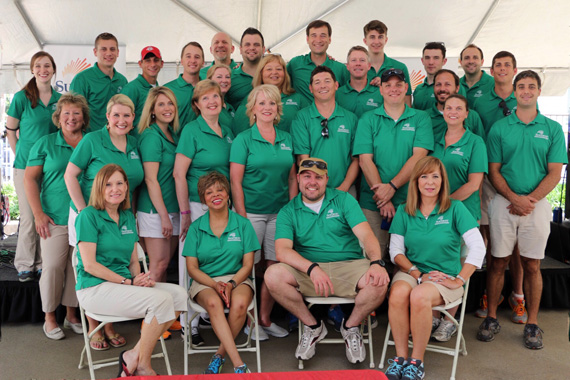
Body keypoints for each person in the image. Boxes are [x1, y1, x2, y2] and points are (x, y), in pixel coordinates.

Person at [265, 157, 389, 364]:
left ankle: (351, 327)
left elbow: (367, 235)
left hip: (349, 266)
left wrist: (376, 262)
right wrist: (312, 268)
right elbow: (282, 251)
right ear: (298, 178)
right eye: (307, 176)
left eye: (318, 177)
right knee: (272, 275)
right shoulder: (288, 210)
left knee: (379, 281)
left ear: (326, 179)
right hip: (310, 271)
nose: (312, 182)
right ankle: (313, 327)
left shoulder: (343, 199)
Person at [477, 70, 567, 350]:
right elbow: (493, 170)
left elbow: (555, 172)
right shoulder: (500, 128)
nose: (526, 91)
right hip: (504, 203)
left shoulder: (552, 129)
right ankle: (491, 317)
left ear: (539, 91)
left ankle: (532, 322)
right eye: (521, 86)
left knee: (532, 264)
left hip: (536, 206)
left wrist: (530, 200)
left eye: (531, 86)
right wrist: (513, 198)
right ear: (514, 92)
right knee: (497, 262)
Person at [75, 164, 186, 377]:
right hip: (94, 288)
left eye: (119, 183)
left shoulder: (127, 216)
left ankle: (135, 355)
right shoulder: (88, 216)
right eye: (108, 184)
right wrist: (128, 283)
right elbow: (89, 265)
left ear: (126, 187)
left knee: (179, 295)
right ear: (99, 188)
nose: (114, 189)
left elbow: (133, 261)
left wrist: (139, 279)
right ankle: (143, 364)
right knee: (160, 301)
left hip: (123, 286)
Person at [384, 156, 484, 380]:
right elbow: (395, 252)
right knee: (398, 293)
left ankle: (416, 362)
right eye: (424, 176)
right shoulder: (404, 210)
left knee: (419, 296)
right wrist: (417, 273)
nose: (430, 182)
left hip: (444, 277)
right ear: (416, 182)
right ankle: (401, 359)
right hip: (413, 272)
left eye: (435, 176)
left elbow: (478, 247)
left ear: (443, 181)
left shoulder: (455, 208)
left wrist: (459, 279)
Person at [64, 94, 144, 350]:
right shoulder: (92, 139)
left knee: (116, 261)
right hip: (90, 215)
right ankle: (94, 327)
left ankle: (109, 325)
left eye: (127, 115)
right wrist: (84, 210)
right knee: (93, 265)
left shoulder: (133, 143)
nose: (122, 120)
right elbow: (70, 175)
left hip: (119, 215)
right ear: (107, 117)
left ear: (133, 118)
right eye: (116, 115)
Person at [230, 85, 297, 340]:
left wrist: (290, 211)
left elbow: (292, 178)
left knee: (274, 266)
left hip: (279, 213)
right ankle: (248, 321)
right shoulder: (243, 139)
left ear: (278, 108)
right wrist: (242, 216)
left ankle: (264, 318)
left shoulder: (286, 138)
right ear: (253, 109)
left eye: (272, 103)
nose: (267, 108)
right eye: (262, 104)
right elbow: (235, 181)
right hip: (252, 214)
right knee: (249, 266)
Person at [173, 79, 234, 345]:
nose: (212, 101)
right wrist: (185, 212)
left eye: (215, 97)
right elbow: (178, 174)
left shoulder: (227, 129)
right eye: (205, 98)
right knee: (192, 264)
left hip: (223, 206)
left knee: (218, 259)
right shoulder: (191, 130)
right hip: (198, 207)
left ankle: (212, 312)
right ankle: (189, 323)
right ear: (197, 105)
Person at [24, 93, 88, 340]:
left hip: (84, 217)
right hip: (54, 218)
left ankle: (72, 315)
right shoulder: (45, 143)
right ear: (58, 118)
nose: (71, 118)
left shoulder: (91, 141)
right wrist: (38, 214)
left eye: (76, 113)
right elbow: (30, 179)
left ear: (84, 118)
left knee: (77, 269)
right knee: (52, 267)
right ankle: (50, 317)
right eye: (66, 114)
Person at [353, 68, 433, 262]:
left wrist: (392, 187)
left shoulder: (421, 118)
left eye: (398, 85)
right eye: (388, 85)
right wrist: (383, 199)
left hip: (411, 203)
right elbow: (365, 160)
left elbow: (419, 157)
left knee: (408, 261)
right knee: (373, 260)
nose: (393, 89)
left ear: (406, 88)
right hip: (372, 204)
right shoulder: (368, 119)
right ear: (380, 89)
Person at [183, 172, 259, 374]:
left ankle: (219, 355)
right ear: (203, 199)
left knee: (241, 303)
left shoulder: (243, 224)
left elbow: (248, 265)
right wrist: (215, 285)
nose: (215, 195)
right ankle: (239, 364)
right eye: (209, 192)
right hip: (205, 281)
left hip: (238, 278)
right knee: (214, 303)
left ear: (228, 194)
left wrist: (231, 284)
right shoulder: (196, 228)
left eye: (220, 190)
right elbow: (192, 268)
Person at [472, 51, 526, 321]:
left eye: (507, 65)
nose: (502, 69)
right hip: (488, 180)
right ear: (490, 71)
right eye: (497, 65)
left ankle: (518, 295)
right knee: (491, 241)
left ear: (515, 70)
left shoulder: (524, 98)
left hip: (517, 182)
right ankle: (492, 295)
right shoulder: (479, 97)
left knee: (517, 244)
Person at [429, 94, 487, 342]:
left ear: (466, 114)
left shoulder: (475, 142)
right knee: (435, 262)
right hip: (433, 215)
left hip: (462, 213)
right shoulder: (432, 141)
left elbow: (474, 184)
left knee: (459, 267)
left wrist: (445, 204)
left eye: (458, 108)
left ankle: (449, 320)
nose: (452, 112)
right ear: (442, 111)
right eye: (448, 107)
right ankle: (431, 315)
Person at [6, 51, 61, 282]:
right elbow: (10, 131)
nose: (43, 70)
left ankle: (41, 263)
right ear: (32, 70)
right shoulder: (22, 98)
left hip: (50, 169)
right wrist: (19, 155)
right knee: (29, 217)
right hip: (26, 168)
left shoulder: (60, 99)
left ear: (53, 68)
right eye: (38, 66)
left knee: (45, 214)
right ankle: (25, 263)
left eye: (47, 65)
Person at [291, 66, 359, 195]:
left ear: (336, 85)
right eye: (317, 82)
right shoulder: (301, 117)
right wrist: (316, 187)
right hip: (312, 190)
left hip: (345, 190)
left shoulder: (351, 118)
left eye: (327, 81)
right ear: (310, 88)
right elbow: (303, 159)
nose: (323, 86)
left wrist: (344, 188)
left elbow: (356, 159)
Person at [136, 86, 180, 283]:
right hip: (155, 211)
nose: (167, 108)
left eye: (170, 103)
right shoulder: (151, 136)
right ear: (152, 110)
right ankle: (147, 312)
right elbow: (150, 179)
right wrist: (163, 216)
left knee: (164, 265)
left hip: (172, 208)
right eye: (161, 104)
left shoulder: (172, 134)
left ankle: (159, 314)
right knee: (157, 265)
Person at [232, 54, 309, 135]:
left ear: (285, 74)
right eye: (269, 69)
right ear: (261, 73)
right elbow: (239, 130)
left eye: (279, 69)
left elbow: (309, 127)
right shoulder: (251, 99)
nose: (274, 72)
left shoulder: (298, 99)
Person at [70, 32, 128, 132]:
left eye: (112, 49)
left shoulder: (122, 80)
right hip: (91, 140)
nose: (109, 53)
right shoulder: (82, 79)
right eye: (104, 49)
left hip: (116, 139)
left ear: (118, 52)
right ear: (95, 51)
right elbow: (73, 115)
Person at [287, 20, 349, 101]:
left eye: (323, 35)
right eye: (314, 35)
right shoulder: (295, 64)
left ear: (329, 39)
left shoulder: (340, 69)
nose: (318, 40)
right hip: (301, 113)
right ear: (307, 39)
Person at [426, 69, 486, 142]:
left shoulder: (472, 116)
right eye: (438, 84)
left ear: (457, 88)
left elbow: (481, 145)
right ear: (433, 88)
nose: (442, 89)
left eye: (447, 84)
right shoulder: (424, 117)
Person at [362, 20, 412, 106]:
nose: (377, 42)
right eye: (372, 37)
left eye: (380, 37)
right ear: (365, 41)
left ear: (386, 40)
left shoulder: (400, 67)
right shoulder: (358, 68)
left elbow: (407, 102)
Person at [121, 46, 164, 135]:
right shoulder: (131, 89)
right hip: (136, 145)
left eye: (156, 60)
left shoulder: (158, 89)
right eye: (148, 61)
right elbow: (121, 121)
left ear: (162, 63)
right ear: (140, 64)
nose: (152, 64)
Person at [413, 42, 466, 111]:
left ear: (444, 61)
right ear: (422, 61)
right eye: (427, 58)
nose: (431, 62)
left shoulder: (456, 87)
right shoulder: (418, 89)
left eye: (436, 58)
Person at [165, 42, 204, 129]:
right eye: (188, 56)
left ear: (203, 62)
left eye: (197, 57)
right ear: (182, 61)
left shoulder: (207, 89)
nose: (193, 60)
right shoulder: (167, 90)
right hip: (175, 142)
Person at [336, 46, 383, 118]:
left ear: (369, 66)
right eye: (354, 60)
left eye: (362, 60)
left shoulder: (380, 93)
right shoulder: (337, 94)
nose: (358, 63)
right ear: (347, 66)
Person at [226, 28, 265, 109]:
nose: (252, 48)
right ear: (240, 49)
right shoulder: (229, 77)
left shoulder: (272, 76)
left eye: (256, 44)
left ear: (263, 49)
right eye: (247, 44)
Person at [458, 44, 495, 108]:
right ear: (461, 62)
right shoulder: (456, 84)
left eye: (475, 57)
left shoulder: (494, 84)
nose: (471, 61)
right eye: (467, 58)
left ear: (482, 61)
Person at [206, 64, 235, 128]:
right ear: (210, 80)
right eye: (219, 77)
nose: (224, 80)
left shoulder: (230, 107)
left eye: (227, 77)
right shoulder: (207, 106)